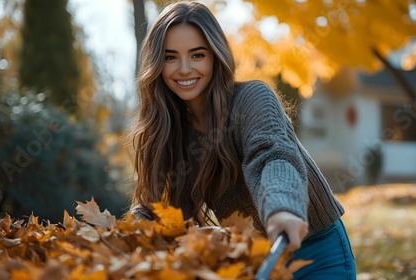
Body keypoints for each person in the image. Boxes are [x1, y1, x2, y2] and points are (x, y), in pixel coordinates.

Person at [129, 1, 356, 279]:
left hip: (314, 249)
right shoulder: (171, 131)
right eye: (170, 57)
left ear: (215, 55)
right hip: (253, 257)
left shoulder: (251, 99)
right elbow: (158, 207)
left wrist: (282, 208)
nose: (184, 69)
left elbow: (272, 156)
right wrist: (124, 236)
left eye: (197, 55)